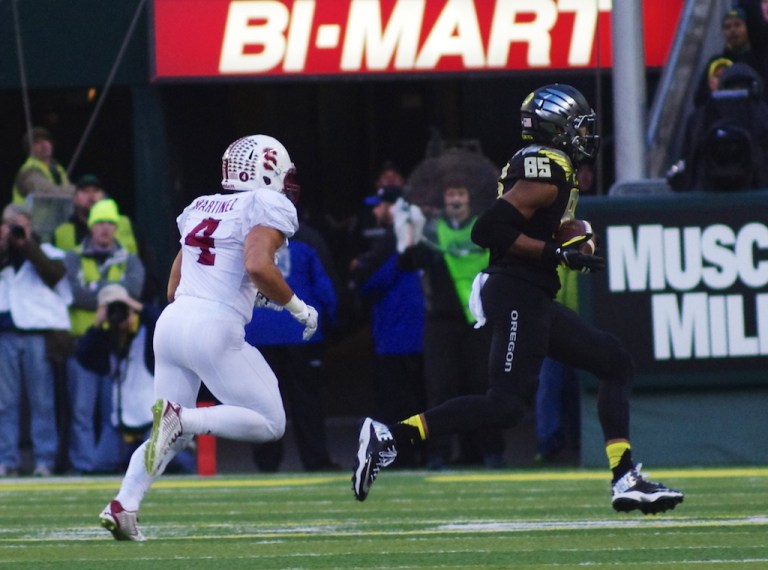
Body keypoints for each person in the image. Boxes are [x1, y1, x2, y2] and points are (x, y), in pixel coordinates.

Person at [352, 84, 685, 515]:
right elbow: (487, 231)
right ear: (555, 128)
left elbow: (537, 222)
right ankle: (390, 438)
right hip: (515, 290)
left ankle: (624, 477)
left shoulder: (552, 171)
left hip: (531, 293)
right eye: (577, 124)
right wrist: (556, 252)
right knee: (504, 405)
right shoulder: (550, 165)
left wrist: (570, 235)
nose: (585, 133)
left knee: (614, 361)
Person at [98, 134, 318, 541]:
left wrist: (252, 295)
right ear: (267, 170)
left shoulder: (201, 206)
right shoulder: (266, 203)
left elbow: (174, 285)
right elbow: (257, 264)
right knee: (270, 422)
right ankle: (185, 419)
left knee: (163, 438)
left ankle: (124, 504)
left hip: (173, 321)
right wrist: (296, 307)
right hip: (212, 327)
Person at [397, 178, 504, 469]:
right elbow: (408, 263)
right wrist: (409, 236)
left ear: (469, 200)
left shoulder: (483, 229)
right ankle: (438, 455)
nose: (455, 199)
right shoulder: (432, 232)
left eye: (460, 193)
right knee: (441, 389)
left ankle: (489, 453)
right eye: (450, 194)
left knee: (483, 387)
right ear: (444, 201)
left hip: (479, 321)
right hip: (442, 323)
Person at [246, 222, 339, 472]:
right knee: (307, 402)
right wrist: (334, 320)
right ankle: (315, 459)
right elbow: (324, 287)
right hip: (301, 334)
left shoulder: (246, 240)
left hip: (257, 333)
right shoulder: (308, 241)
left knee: (262, 402)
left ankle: (266, 463)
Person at [74, 283, 194, 474]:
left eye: (120, 309)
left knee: (180, 463)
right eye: (112, 310)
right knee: (99, 466)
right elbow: (82, 355)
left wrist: (135, 307)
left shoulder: (147, 335)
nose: (118, 315)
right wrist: (97, 324)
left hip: (151, 421)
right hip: (120, 425)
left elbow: (163, 321)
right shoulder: (105, 341)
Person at [64, 198, 145, 474]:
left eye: (110, 223)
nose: (106, 229)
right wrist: (114, 291)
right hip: (85, 342)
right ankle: (85, 465)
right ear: (91, 226)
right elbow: (77, 295)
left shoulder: (130, 259)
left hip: (117, 346)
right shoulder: (74, 256)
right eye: (100, 223)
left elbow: (134, 289)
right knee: (82, 412)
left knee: (114, 410)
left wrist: (98, 289)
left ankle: (108, 463)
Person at [350, 185, 425, 466]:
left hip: (396, 336)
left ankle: (404, 457)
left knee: (397, 401)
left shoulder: (394, 239)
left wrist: (360, 271)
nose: (375, 210)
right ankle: (422, 455)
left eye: (380, 205)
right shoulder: (418, 236)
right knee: (419, 398)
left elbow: (370, 282)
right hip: (413, 334)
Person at [0, 204, 71, 477]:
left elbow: (54, 274)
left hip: (37, 334)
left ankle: (45, 459)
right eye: (10, 224)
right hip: (5, 333)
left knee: (42, 400)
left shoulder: (47, 251)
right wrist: (5, 244)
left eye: (21, 224)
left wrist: (26, 245)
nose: (16, 229)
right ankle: (6, 459)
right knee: (5, 402)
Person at [693, 8, 764, 107]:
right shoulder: (715, 63)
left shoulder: (760, 59)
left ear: (747, 27)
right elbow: (699, 100)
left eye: (738, 25)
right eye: (727, 27)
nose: (733, 30)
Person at [53, 174, 138, 255]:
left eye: (96, 191)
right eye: (85, 191)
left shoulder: (126, 224)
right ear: (75, 198)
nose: (91, 195)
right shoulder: (61, 233)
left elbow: (147, 262)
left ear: (103, 196)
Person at [11, 127, 73, 206]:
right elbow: (46, 192)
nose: (43, 145)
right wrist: (79, 192)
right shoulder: (28, 171)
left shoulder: (58, 168)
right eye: (37, 142)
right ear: (29, 150)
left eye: (46, 140)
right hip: (30, 217)